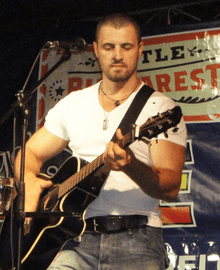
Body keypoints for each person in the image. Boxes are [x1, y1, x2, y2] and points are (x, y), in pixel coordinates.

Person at [15, 13, 187, 270]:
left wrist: (129, 164)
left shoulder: (159, 109)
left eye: (126, 46)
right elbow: (29, 153)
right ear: (96, 49)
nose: (117, 55)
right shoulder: (74, 102)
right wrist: (28, 181)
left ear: (140, 49)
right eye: (109, 47)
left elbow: (170, 187)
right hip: (72, 241)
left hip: (136, 240)